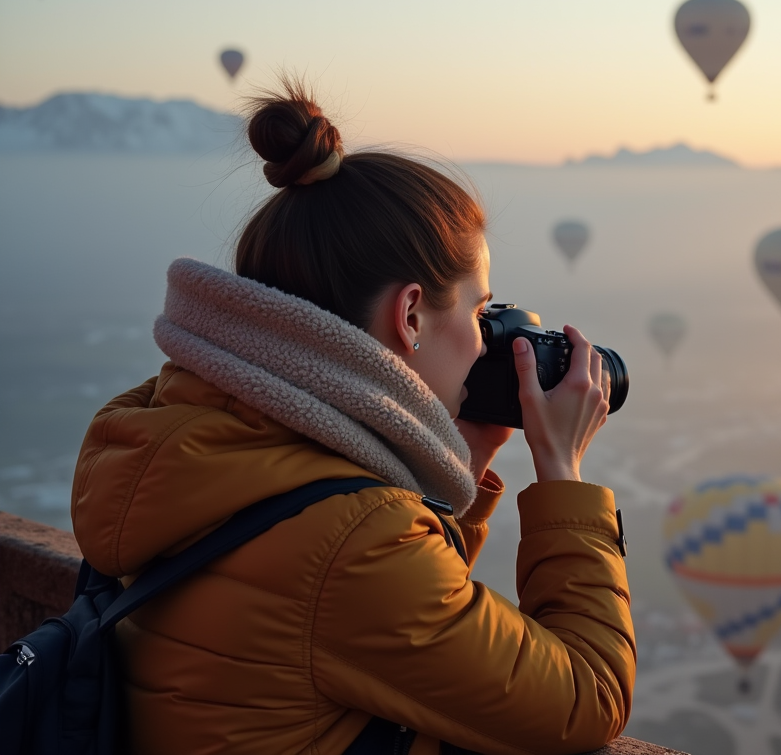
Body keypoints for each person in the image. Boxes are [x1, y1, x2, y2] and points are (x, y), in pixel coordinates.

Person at [69, 79, 635, 755]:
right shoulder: (353, 543)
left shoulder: (179, 433)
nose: (486, 341)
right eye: (479, 313)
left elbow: (373, 616)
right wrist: (563, 475)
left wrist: (464, 461)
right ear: (411, 315)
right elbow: (585, 698)